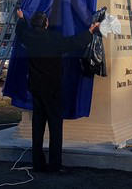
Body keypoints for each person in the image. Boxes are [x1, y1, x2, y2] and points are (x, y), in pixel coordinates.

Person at [16, 9, 100, 173]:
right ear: (46, 24)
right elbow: (74, 42)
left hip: (36, 89)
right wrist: (91, 30)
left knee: (37, 128)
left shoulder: (29, 38)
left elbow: (20, 31)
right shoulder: (53, 38)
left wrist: (20, 18)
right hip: (53, 90)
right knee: (55, 128)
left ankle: (38, 164)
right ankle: (55, 165)